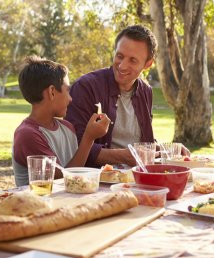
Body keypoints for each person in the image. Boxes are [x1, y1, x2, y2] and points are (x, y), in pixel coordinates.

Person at [65, 25, 157, 167]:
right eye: (120, 56)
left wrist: (166, 151)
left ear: (148, 64)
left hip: (138, 178)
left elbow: (146, 144)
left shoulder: (146, 91)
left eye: (133, 60)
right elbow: (74, 146)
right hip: (97, 182)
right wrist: (124, 157)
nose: (122, 66)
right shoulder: (86, 87)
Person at [13, 56, 110, 186]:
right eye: (68, 90)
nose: (70, 99)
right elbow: (62, 181)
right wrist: (89, 138)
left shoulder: (67, 127)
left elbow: (78, 171)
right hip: (39, 204)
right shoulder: (27, 135)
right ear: (52, 92)